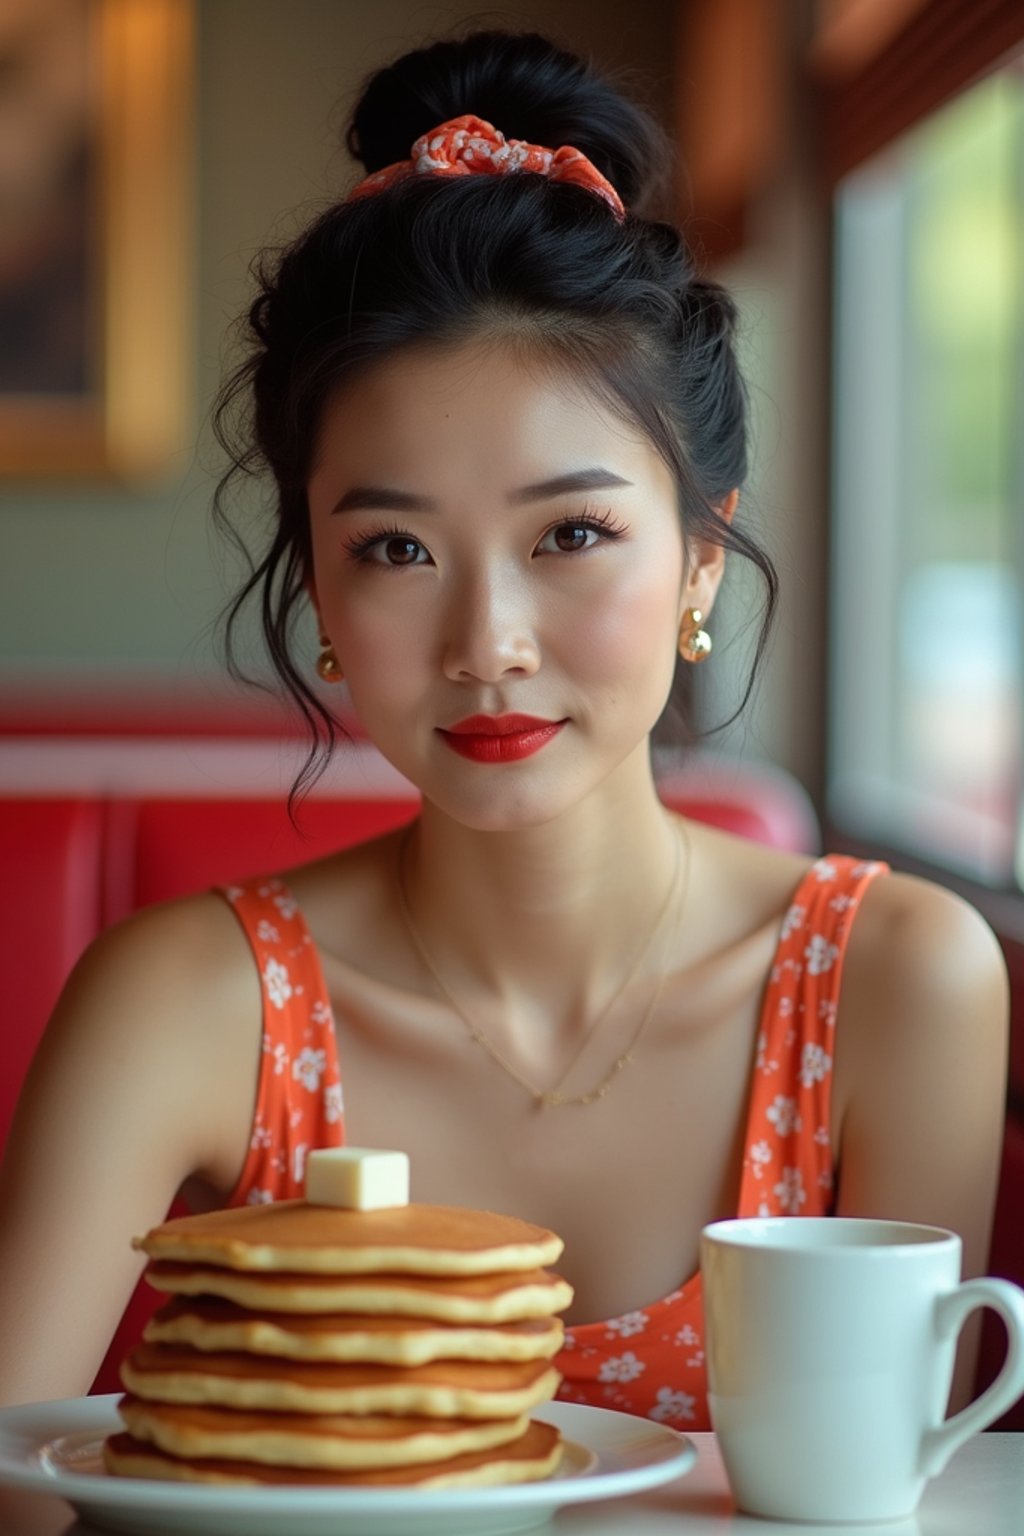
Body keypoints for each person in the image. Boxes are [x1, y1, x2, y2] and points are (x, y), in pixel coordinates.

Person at [0, 29, 1009, 1425]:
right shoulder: (186, 1007)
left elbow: (910, 1491)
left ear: (703, 557)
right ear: (320, 590)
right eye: (396, 551)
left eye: (573, 533)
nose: (488, 646)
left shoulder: (900, 986)